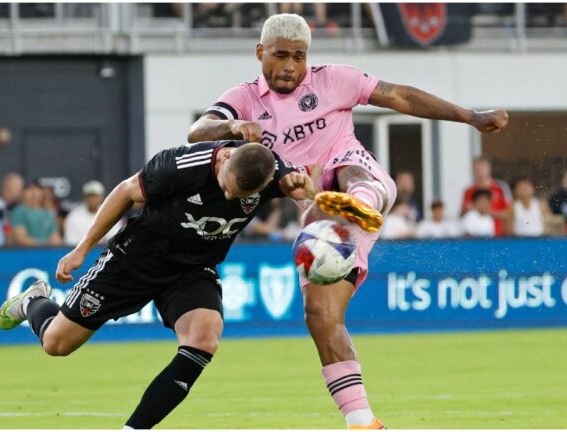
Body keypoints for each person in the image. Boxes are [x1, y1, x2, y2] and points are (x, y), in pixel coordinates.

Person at [187, 13, 508, 429]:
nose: (290, 65)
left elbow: (401, 97)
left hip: (362, 185)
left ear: (308, 58)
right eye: (281, 55)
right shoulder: (245, 98)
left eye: (298, 57)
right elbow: (199, 129)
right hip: (322, 224)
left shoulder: (334, 79)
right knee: (320, 316)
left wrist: (471, 116)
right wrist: (232, 124)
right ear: (260, 52)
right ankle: (362, 420)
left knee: (345, 169)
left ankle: (359, 201)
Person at [0, 141, 318, 428]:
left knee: (204, 338)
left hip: (192, 267)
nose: (228, 196)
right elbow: (124, 192)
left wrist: (309, 193)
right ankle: (32, 302)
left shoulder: (275, 174)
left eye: (238, 196)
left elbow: (312, 194)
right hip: (135, 259)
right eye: (226, 187)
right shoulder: (179, 166)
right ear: (225, 159)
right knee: (57, 344)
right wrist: (82, 248)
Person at [460, 159, 510, 236]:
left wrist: (489, 213)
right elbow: (461, 214)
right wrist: (472, 209)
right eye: (478, 168)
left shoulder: (500, 188)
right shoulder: (468, 191)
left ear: (489, 169)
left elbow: (508, 214)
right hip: (475, 237)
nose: (480, 171)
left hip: (498, 236)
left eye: (483, 168)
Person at [64, 181, 123, 246]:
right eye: (89, 196)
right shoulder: (73, 216)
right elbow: (71, 243)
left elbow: (115, 239)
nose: (92, 199)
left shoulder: (111, 214)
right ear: (84, 197)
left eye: (95, 196)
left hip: (105, 253)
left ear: (101, 197)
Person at [10, 182, 62, 247]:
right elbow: (21, 239)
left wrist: (53, 242)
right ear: (23, 192)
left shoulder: (47, 214)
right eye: (30, 189)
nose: (34, 193)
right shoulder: (19, 212)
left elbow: (56, 238)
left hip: (47, 254)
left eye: (37, 189)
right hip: (27, 254)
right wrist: (44, 244)